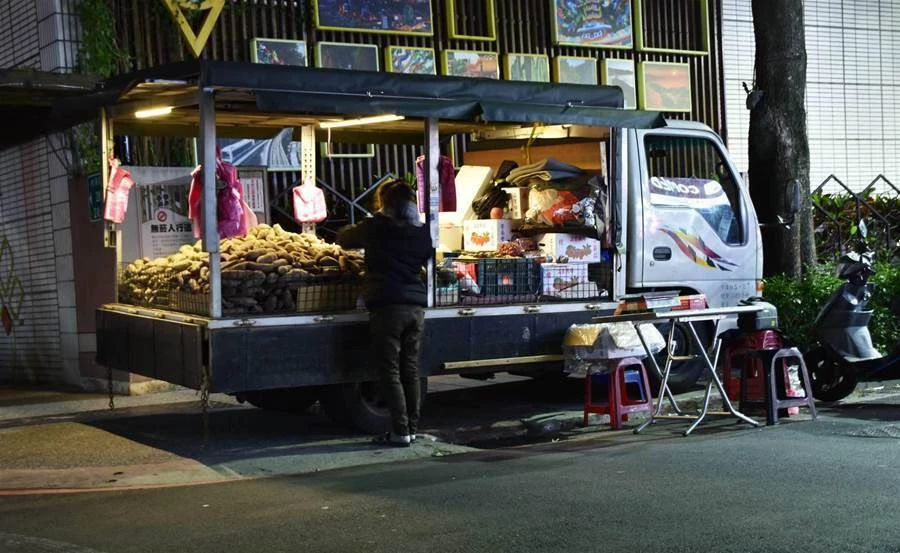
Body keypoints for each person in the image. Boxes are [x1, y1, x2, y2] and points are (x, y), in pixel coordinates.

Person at [337, 180, 432, 447]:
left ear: (385, 203)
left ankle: (400, 431)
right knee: (410, 371)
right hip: (415, 308)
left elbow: (345, 239)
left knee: (389, 371)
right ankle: (411, 428)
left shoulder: (376, 227)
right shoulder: (422, 232)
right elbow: (426, 257)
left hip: (388, 306)